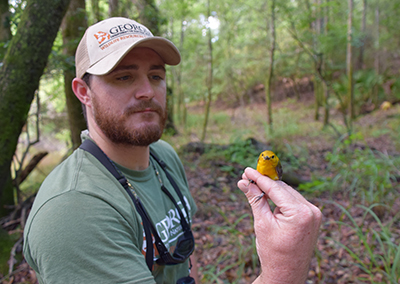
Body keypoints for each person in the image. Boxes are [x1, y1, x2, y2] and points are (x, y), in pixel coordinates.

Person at [23, 17, 322, 284]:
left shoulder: (162, 156)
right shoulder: (75, 211)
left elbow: (185, 256)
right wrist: (282, 271)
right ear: (84, 92)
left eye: (156, 76)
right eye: (124, 77)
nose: (148, 92)